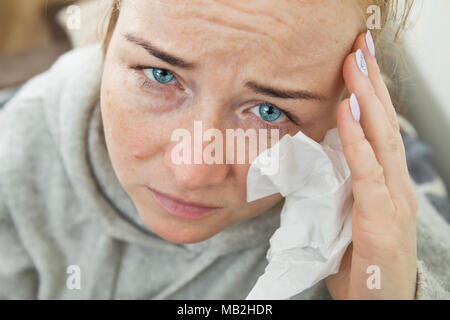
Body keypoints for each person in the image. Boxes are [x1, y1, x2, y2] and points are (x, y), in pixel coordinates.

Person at [0, 0, 449, 299]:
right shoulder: (21, 141)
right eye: (159, 75)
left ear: (341, 112)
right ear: (109, 34)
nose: (193, 171)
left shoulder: (378, 244)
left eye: (270, 111)